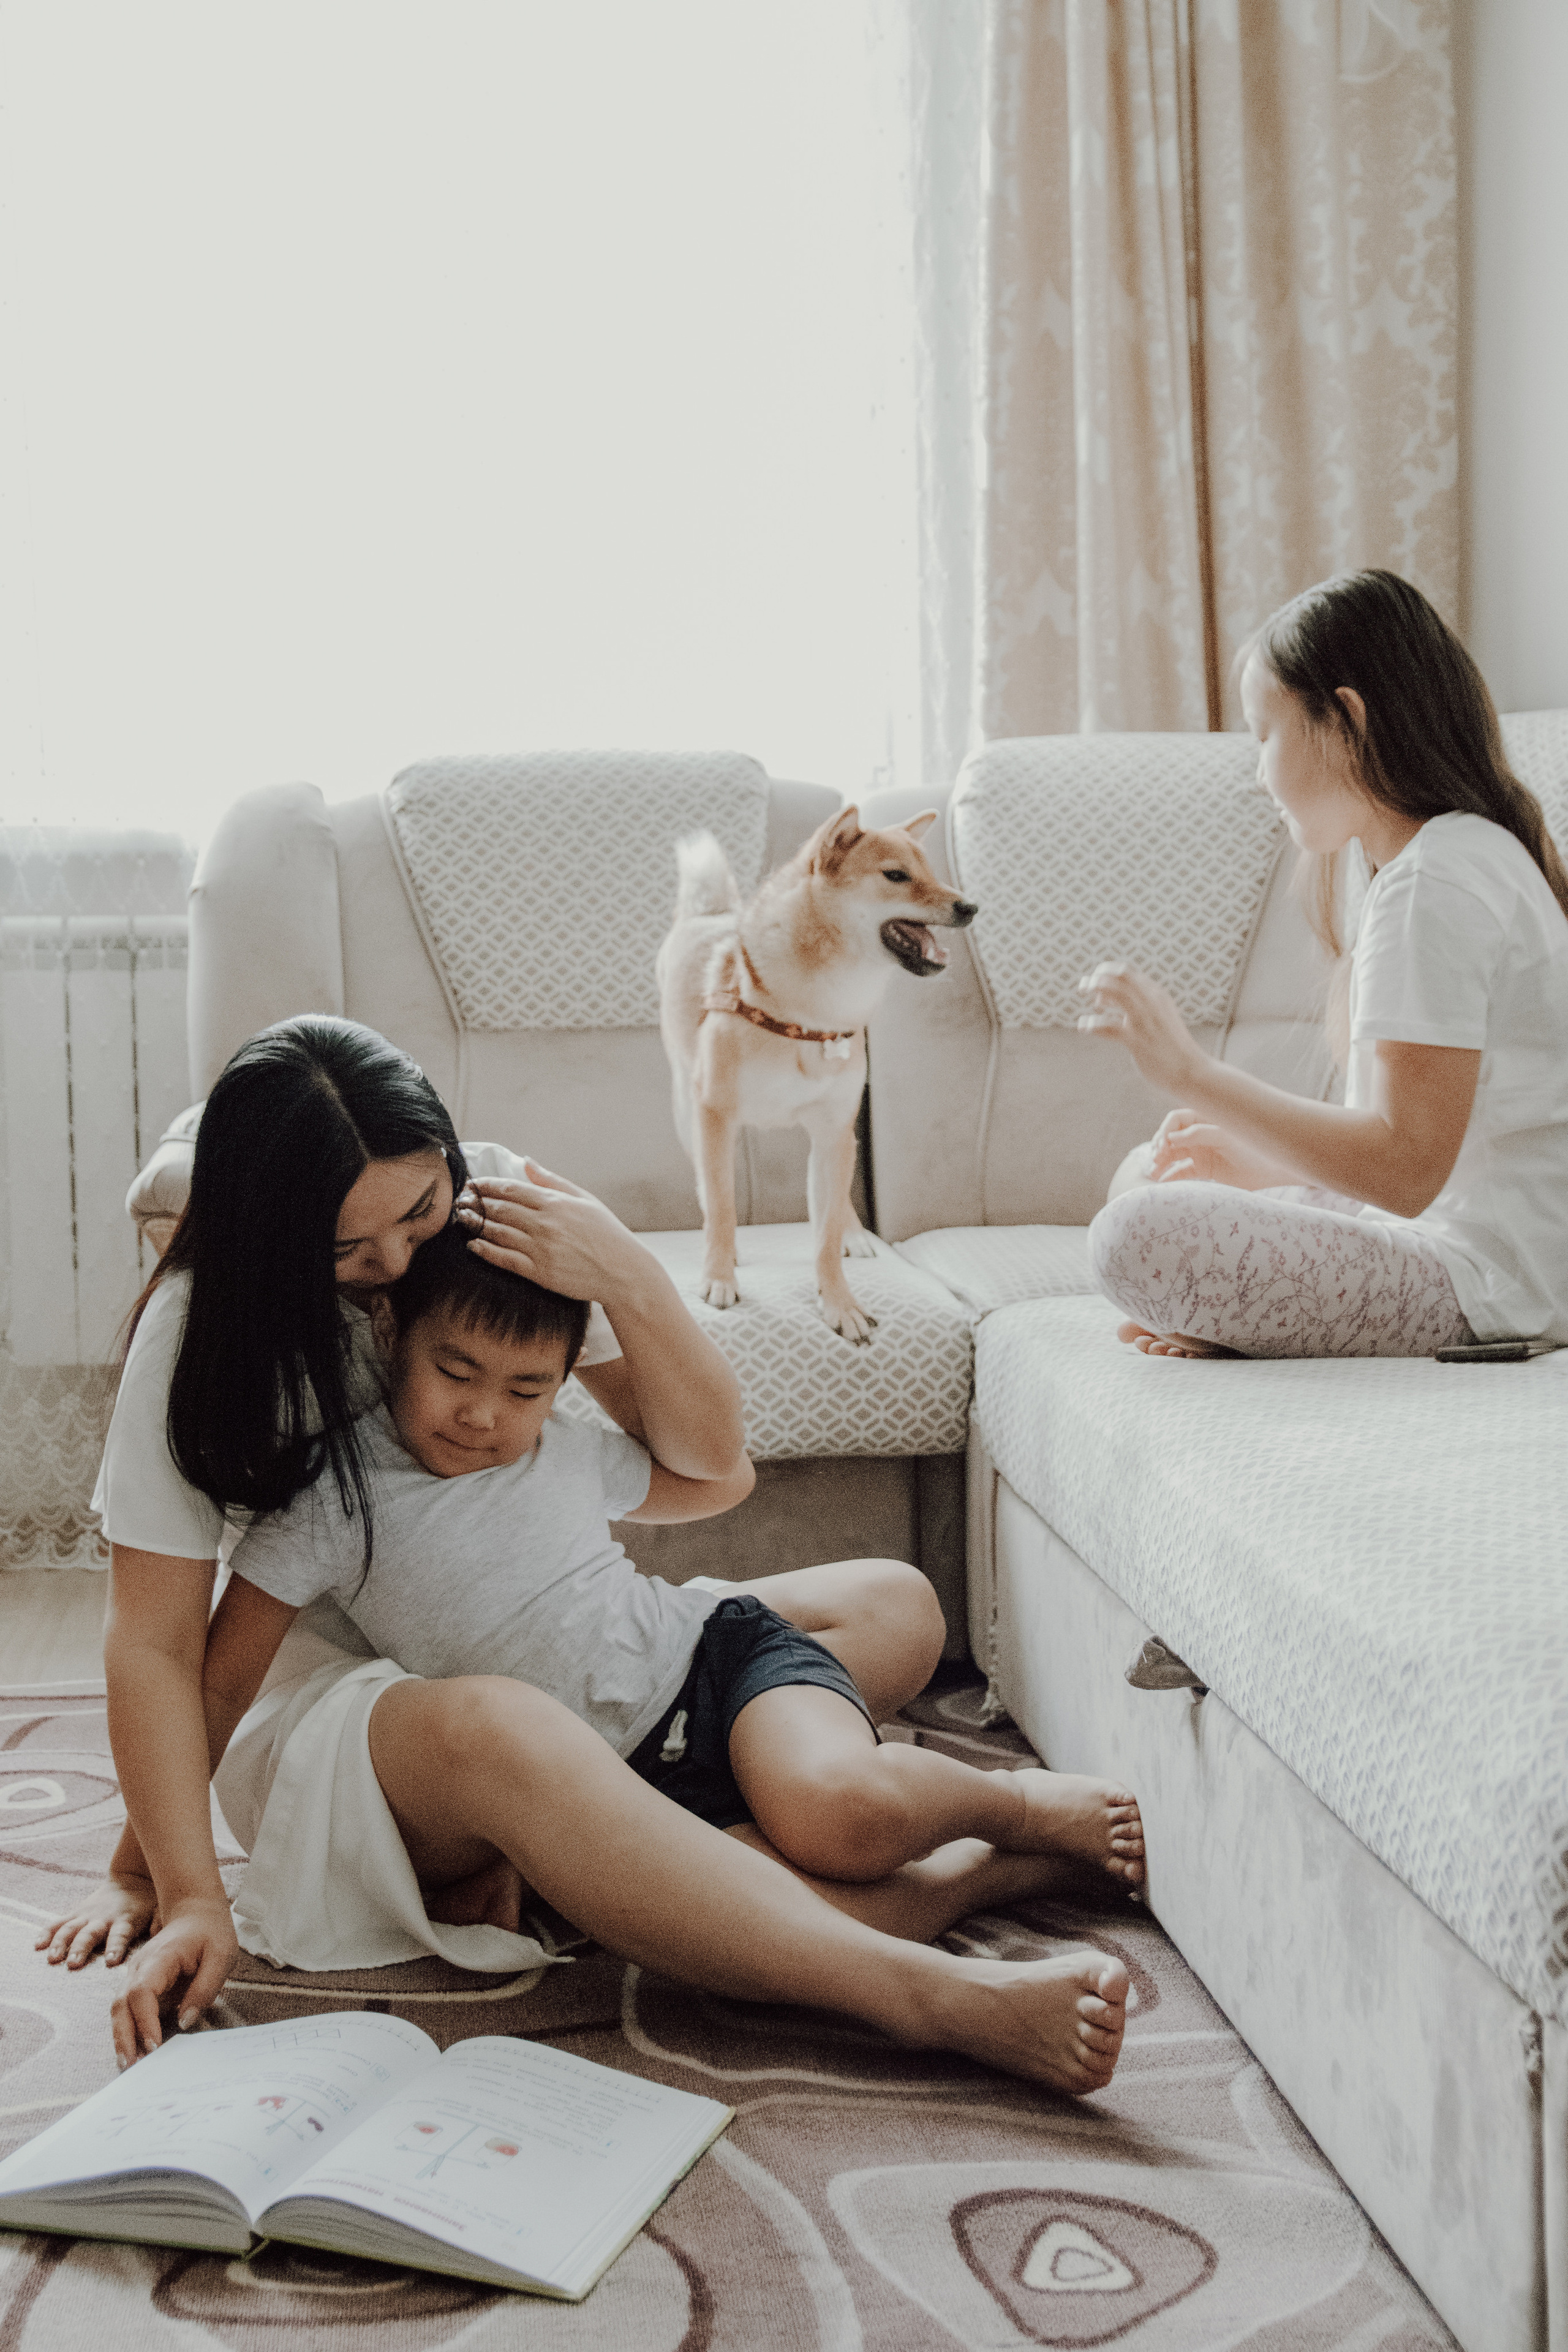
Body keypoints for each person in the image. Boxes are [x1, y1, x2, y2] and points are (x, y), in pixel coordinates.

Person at [39, 1016, 1133, 2095]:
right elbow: (158, 1645)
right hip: (366, 1726)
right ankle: (925, 1995)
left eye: (419, 1212)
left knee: (895, 1612)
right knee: (517, 1725)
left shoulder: (492, 1206)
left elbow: (708, 1459)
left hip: (545, 1646)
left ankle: (606, 1852)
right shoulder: (198, 1335)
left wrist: (625, 1272)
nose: (397, 1267)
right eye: (344, 1251)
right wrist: (170, 1882)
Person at [208, 1223, 1144, 1939]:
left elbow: (714, 1479)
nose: (485, 1414)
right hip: (608, 1793)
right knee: (807, 1928)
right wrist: (148, 1873)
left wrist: (629, 1290)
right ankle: (1002, 1871)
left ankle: (1014, 1804)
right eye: (455, 1371)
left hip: (713, 1667)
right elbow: (217, 1684)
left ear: (566, 1378)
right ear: (388, 1329)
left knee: (842, 1812)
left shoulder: (566, 1449)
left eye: (527, 1389)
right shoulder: (331, 1498)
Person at [1079, 569, 1568, 1359]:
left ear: (1345, 720)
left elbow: (1406, 1170)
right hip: (1457, 1246)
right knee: (1152, 1175)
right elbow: (1408, 1156)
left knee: (1138, 1236)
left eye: (1263, 734)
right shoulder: (1444, 859)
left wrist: (1193, 1073)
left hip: (1489, 1286)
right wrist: (1262, 1165)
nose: (1257, 772)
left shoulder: (1436, 881)